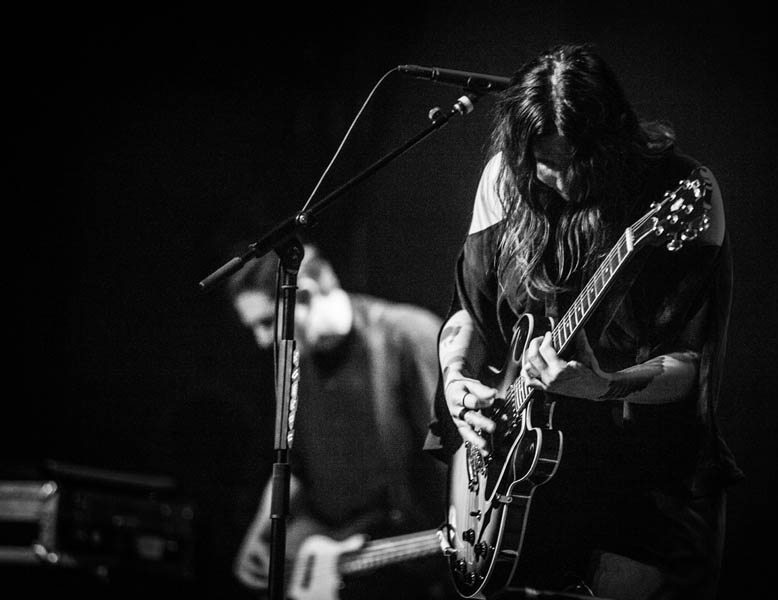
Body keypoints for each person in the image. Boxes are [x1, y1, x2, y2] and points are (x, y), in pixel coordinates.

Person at [424, 43, 744, 600]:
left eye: (578, 162)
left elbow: (692, 363)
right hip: (531, 471)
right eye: (545, 165)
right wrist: (455, 381)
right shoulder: (503, 179)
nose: (563, 181)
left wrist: (602, 386)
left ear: (614, 139)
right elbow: (468, 314)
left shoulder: (683, 188)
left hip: (643, 471)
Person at [226, 242, 452, 599]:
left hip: (416, 567)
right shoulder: (297, 363)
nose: (262, 340)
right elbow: (294, 465)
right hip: (337, 563)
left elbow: (460, 456)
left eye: (268, 322)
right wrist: (260, 531)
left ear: (306, 294)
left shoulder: (408, 336)